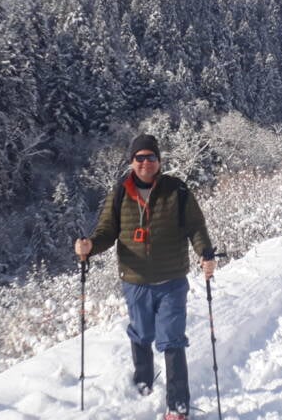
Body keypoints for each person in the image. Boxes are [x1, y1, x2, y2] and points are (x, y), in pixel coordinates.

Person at [75, 134, 216, 420]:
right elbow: (106, 231)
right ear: (131, 161)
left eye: (151, 157)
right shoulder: (120, 193)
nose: (145, 163)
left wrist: (205, 253)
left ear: (159, 161)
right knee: (141, 333)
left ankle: (177, 406)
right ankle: (143, 384)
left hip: (171, 280)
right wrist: (90, 246)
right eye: (139, 157)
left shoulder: (176, 189)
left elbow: (196, 226)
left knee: (172, 339)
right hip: (135, 281)